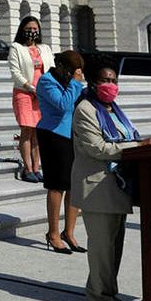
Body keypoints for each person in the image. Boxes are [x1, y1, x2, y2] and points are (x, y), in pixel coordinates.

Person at [70, 64, 151, 301]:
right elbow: (98, 148)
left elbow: (126, 138)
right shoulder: (85, 109)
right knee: (102, 248)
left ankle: (108, 293)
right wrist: (139, 146)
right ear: (92, 82)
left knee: (114, 247)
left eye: (113, 79)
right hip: (97, 186)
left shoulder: (115, 111)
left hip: (117, 185)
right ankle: (98, 297)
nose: (110, 84)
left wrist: (143, 144)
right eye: (104, 80)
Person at [36, 49, 86, 254]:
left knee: (74, 185)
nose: (77, 75)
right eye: (74, 71)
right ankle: (53, 233)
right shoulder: (47, 81)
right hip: (53, 134)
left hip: (72, 135)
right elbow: (63, 106)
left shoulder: (71, 83)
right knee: (57, 185)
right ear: (63, 67)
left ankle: (69, 232)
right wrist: (75, 83)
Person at [8, 17, 46, 182]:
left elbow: (49, 69)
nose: (32, 31)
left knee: (38, 132)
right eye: (29, 28)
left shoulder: (44, 48)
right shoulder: (16, 48)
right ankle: (28, 167)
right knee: (27, 130)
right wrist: (31, 87)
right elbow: (15, 73)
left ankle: (37, 167)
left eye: (35, 28)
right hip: (24, 92)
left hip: (42, 95)